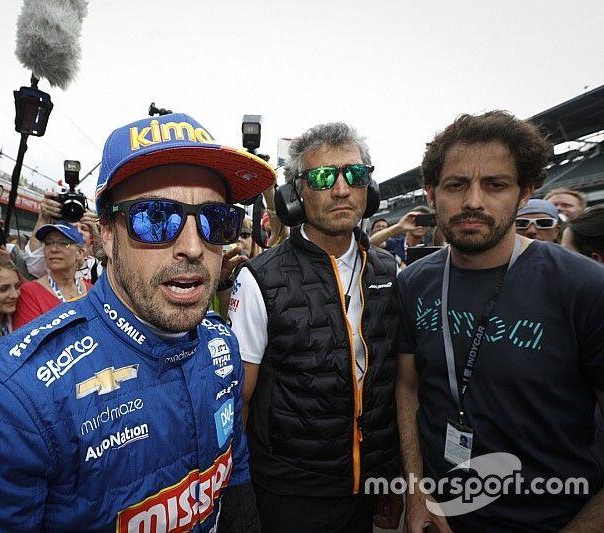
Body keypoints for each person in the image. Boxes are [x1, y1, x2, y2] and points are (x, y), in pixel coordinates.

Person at [0, 111, 275, 531]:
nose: (193, 246)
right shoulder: (5, 400)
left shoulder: (221, 344)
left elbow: (235, 478)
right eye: (155, 218)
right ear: (108, 235)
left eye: (216, 219)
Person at [396, 110, 604, 532]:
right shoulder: (414, 282)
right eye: (456, 185)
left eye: (495, 185)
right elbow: (409, 386)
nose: (473, 201)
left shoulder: (584, 286)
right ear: (431, 193)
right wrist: (416, 490)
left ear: (524, 192)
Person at [228, 121, 402, 532]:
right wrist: (239, 495)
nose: (341, 189)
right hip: (290, 494)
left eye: (355, 175)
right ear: (296, 195)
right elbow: (240, 399)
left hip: (365, 489)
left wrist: (390, 478)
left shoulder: (389, 270)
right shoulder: (259, 278)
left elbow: (393, 384)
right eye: (324, 177)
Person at [12, 222, 87, 328]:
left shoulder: (91, 290)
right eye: (48, 243)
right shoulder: (30, 293)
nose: (53, 249)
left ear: (80, 253)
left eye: (63, 243)